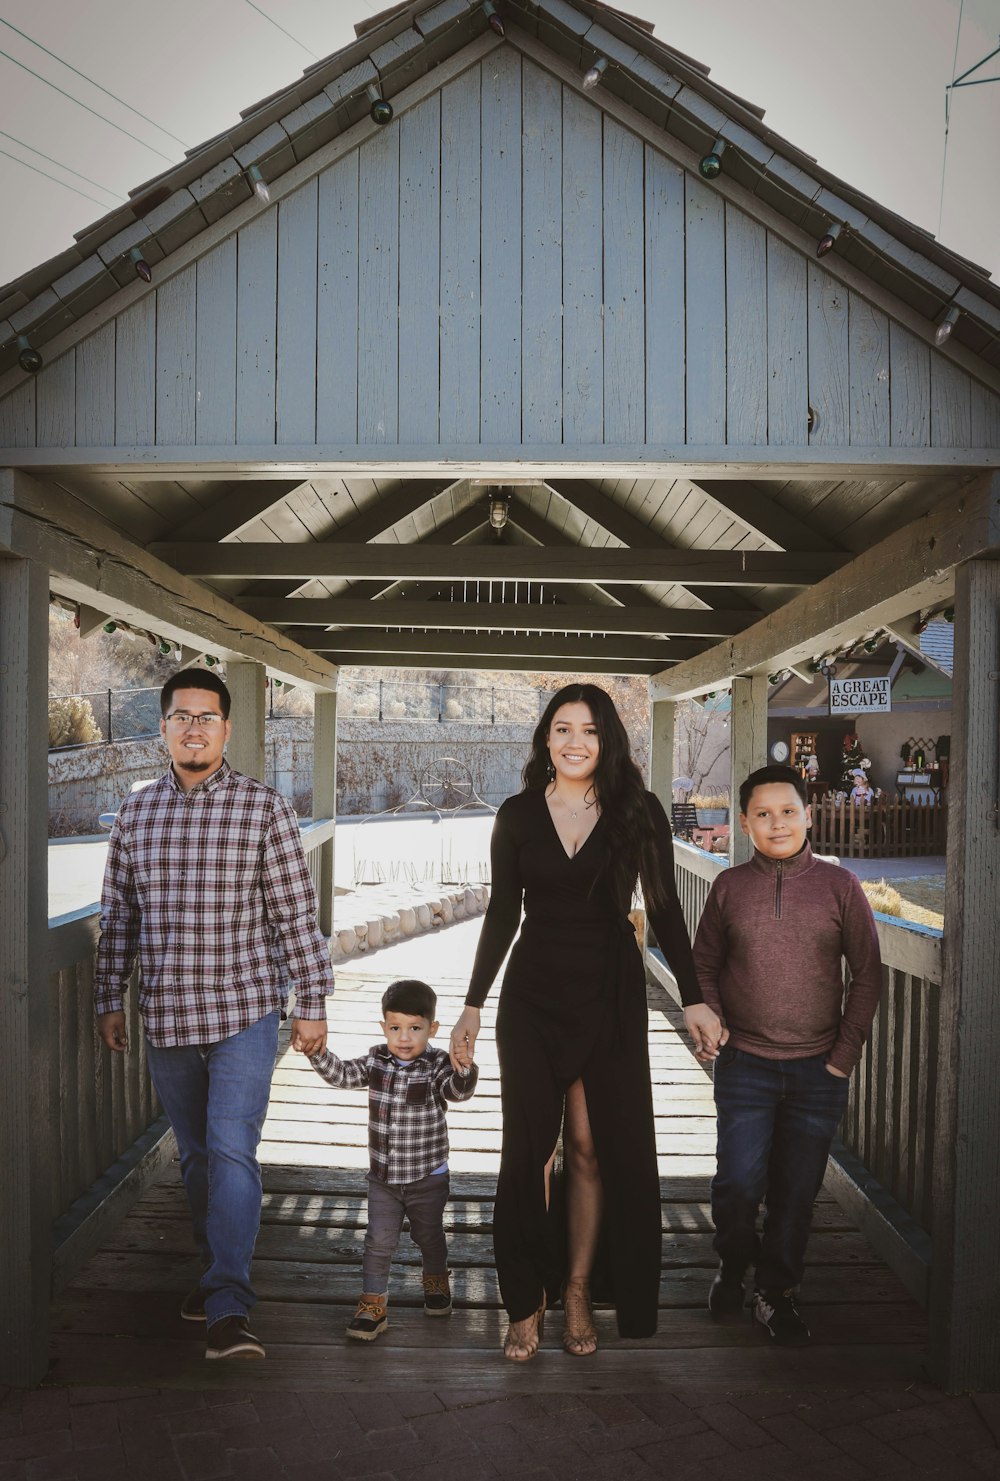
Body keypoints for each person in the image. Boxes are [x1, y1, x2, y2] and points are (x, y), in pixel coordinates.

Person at [448, 683, 721, 1361]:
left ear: (608, 740)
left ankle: (575, 1287)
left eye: (590, 730)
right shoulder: (515, 814)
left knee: (597, 1149)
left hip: (611, 992)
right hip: (533, 994)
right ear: (545, 737)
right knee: (531, 1152)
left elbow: (663, 910)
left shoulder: (639, 809)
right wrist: (473, 1004)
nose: (575, 741)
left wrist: (692, 996)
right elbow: (501, 915)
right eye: (563, 728)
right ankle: (526, 1297)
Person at [93, 667, 333, 1361]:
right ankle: (213, 1269)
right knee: (197, 1158)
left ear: (228, 729)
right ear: (162, 728)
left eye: (207, 716)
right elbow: (119, 918)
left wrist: (309, 1004)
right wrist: (110, 997)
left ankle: (229, 1300)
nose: (194, 727)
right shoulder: (135, 814)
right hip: (166, 1015)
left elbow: (297, 917)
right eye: (181, 716)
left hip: (244, 1012)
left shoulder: (264, 810)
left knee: (231, 1149)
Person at [693, 764, 881, 1345]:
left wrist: (841, 1059)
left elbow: (868, 976)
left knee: (797, 1191)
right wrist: (716, 1021)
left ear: (808, 815)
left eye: (789, 811)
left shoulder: (839, 886)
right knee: (739, 1184)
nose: (778, 823)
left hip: (817, 1070)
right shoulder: (729, 888)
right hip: (745, 1063)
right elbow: (704, 964)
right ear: (746, 823)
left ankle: (776, 1293)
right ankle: (732, 1262)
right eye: (763, 813)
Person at [307, 978, 478, 1342]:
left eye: (415, 1029)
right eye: (395, 1028)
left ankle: (435, 1278)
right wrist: (317, 1054)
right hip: (383, 1178)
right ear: (383, 1027)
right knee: (378, 1240)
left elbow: (456, 1092)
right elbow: (344, 1075)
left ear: (432, 1029)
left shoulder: (436, 1065)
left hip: (427, 1177)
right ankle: (373, 1304)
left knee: (427, 1234)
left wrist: (463, 1068)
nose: (404, 1038)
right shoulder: (375, 1060)